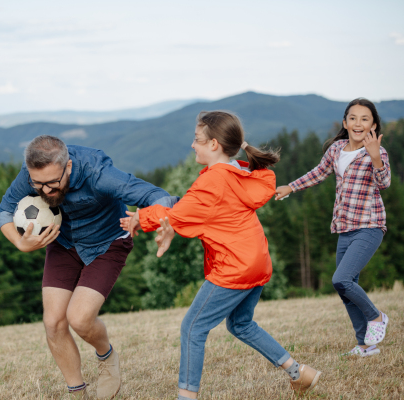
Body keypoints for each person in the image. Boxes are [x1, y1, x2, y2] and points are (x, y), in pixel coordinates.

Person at [121, 111, 321, 399]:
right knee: (240, 324)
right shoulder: (239, 172)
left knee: (192, 328)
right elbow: (192, 208)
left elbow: (179, 213)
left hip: (234, 268)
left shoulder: (214, 181)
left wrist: (140, 217)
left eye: (197, 139)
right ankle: (299, 373)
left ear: (214, 144)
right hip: (258, 263)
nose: (193, 145)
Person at [0, 135, 178, 399]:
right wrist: (20, 243)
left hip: (108, 243)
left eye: (53, 183)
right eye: (38, 184)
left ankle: (106, 356)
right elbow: (3, 211)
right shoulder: (31, 173)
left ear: (68, 166)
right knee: (53, 322)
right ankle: (77, 392)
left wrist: (151, 218)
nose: (44, 191)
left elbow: (156, 195)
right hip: (64, 242)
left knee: (79, 319)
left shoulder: (98, 173)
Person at [276, 98, 390, 357]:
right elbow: (319, 172)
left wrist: (375, 158)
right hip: (344, 228)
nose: (358, 123)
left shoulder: (377, 152)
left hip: (369, 226)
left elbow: (384, 183)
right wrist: (290, 187)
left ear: (373, 124)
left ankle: (377, 317)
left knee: (340, 279)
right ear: (345, 123)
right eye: (353, 118)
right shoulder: (337, 149)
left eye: (364, 118)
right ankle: (365, 345)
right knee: (345, 288)